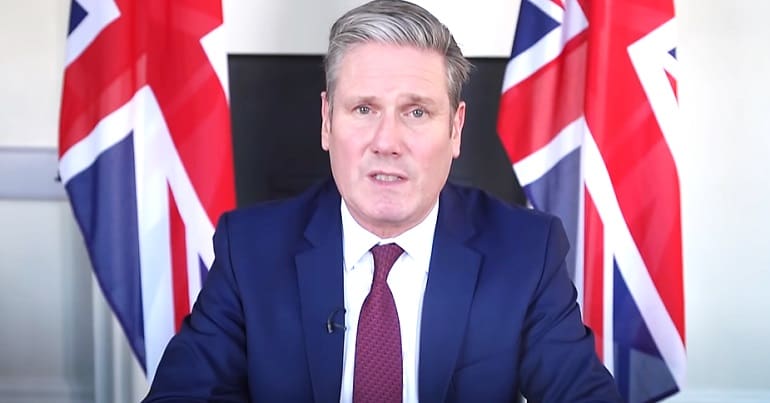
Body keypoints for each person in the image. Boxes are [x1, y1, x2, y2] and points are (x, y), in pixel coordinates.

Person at [144, 1, 622, 402]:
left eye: (416, 111)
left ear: (455, 128)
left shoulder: (526, 252)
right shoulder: (249, 249)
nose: (387, 141)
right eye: (364, 109)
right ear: (327, 122)